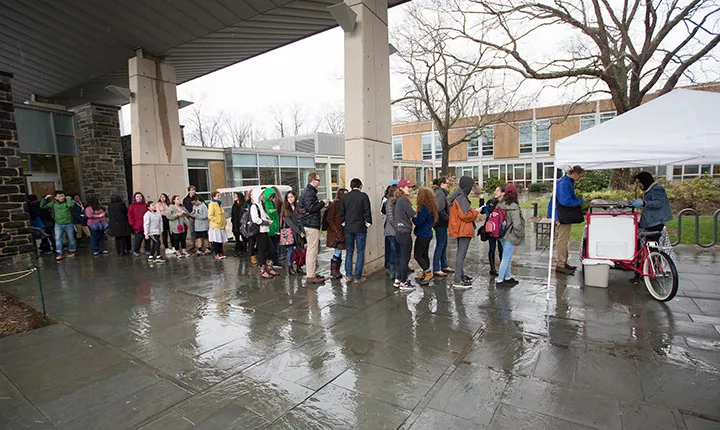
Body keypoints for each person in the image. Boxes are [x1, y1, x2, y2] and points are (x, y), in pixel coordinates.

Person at [548, 165, 585, 275]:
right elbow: (565, 201)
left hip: (562, 214)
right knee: (563, 240)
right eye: (580, 176)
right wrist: (580, 201)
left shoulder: (565, 181)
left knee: (564, 239)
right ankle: (560, 264)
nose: (579, 178)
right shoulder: (564, 183)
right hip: (562, 215)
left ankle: (563, 262)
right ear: (575, 173)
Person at [449, 176, 481, 289]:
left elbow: (462, 212)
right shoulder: (461, 198)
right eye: (471, 186)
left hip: (459, 228)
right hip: (463, 229)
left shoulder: (457, 196)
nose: (472, 188)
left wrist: (472, 210)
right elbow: (465, 215)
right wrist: (476, 212)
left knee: (460, 254)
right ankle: (457, 280)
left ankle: (460, 276)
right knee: (460, 255)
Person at [299, 172, 330, 285]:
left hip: (309, 224)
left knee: (312, 250)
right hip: (311, 225)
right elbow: (311, 208)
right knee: (312, 250)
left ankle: (311, 273)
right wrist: (323, 203)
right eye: (318, 180)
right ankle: (311, 275)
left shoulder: (309, 192)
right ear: (313, 180)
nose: (319, 182)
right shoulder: (309, 193)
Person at [341, 178, 372, 284]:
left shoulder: (345, 197)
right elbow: (367, 211)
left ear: (350, 186)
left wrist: (344, 223)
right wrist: (368, 223)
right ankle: (357, 277)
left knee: (349, 251)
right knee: (360, 251)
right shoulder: (364, 196)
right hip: (360, 228)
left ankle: (348, 275)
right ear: (360, 186)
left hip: (348, 228)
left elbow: (342, 212)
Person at [496, 184, 525, 287]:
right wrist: (520, 234)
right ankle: (500, 280)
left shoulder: (501, 204)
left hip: (501, 234)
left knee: (506, 257)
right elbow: (517, 224)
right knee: (506, 258)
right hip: (510, 235)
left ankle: (507, 277)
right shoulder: (514, 207)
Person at [392, 179, 417, 291]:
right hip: (404, 232)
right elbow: (411, 213)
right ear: (401, 188)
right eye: (408, 187)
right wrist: (415, 210)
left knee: (402, 257)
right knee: (405, 258)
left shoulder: (398, 200)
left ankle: (398, 279)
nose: (410, 189)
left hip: (399, 232)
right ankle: (403, 282)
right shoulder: (403, 200)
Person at [41, 190, 75, 261]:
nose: (61, 197)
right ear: (56, 197)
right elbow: (42, 206)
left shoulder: (68, 202)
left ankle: (72, 251)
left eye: (62, 196)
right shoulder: (53, 203)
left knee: (71, 238)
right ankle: (59, 253)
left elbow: (70, 206)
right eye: (59, 196)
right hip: (58, 224)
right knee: (58, 239)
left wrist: (69, 199)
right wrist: (45, 199)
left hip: (68, 223)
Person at [413, 187, 438, 285]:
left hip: (422, 235)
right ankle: (425, 273)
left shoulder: (423, 208)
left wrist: (412, 217)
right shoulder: (431, 207)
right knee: (424, 255)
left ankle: (428, 272)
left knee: (417, 255)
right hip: (428, 234)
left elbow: (419, 222)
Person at [250, 188, 275, 279]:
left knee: (270, 250)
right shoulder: (254, 206)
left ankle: (269, 267)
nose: (262, 196)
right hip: (260, 231)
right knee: (262, 251)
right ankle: (262, 269)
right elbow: (256, 219)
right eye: (261, 195)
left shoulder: (261, 205)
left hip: (265, 230)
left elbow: (264, 215)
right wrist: (266, 222)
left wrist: (267, 220)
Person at [432, 177, 452, 277]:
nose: (449, 186)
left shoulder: (439, 192)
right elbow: (439, 209)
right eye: (447, 184)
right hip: (440, 223)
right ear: (442, 184)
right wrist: (448, 218)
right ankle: (436, 268)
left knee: (443, 244)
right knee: (440, 244)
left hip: (440, 222)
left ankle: (444, 265)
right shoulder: (440, 193)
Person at [282, 191, 305, 275]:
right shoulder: (285, 209)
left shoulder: (297, 207)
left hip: (298, 231)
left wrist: (302, 231)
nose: (290, 199)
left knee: (299, 250)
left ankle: (299, 267)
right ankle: (290, 267)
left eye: (292, 197)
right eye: (288, 197)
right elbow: (290, 223)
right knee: (290, 250)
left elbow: (301, 219)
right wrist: (300, 232)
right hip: (289, 232)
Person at [382, 184, 401, 286]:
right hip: (392, 231)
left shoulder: (394, 201)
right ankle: (394, 272)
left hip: (392, 231)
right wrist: (398, 227)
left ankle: (393, 272)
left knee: (395, 251)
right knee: (395, 252)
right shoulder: (390, 202)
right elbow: (390, 217)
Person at [326, 188, 347, 279]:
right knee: (337, 251)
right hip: (336, 232)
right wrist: (335, 230)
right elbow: (329, 218)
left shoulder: (344, 204)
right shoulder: (335, 204)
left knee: (339, 251)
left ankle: (336, 271)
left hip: (342, 231)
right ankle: (334, 271)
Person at [485, 186, 505, 276]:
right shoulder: (491, 202)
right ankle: (492, 269)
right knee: (492, 248)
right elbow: (484, 211)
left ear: (503, 193)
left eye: (498, 191)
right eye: (495, 190)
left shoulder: (505, 203)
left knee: (501, 249)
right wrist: (481, 202)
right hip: (491, 229)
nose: (495, 192)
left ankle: (503, 267)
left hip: (501, 230)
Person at [263, 187, 281, 267]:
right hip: (270, 229)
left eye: (272, 196)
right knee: (272, 247)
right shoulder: (265, 203)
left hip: (275, 227)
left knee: (275, 246)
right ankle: (272, 262)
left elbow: (276, 217)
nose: (271, 198)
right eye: (270, 196)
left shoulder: (273, 203)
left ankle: (275, 261)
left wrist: (277, 227)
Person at [208, 190, 228, 260]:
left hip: (221, 226)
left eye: (219, 195)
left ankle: (221, 253)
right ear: (214, 197)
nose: (219, 197)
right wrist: (218, 221)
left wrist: (224, 221)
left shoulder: (219, 204)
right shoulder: (212, 204)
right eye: (218, 196)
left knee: (220, 240)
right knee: (216, 240)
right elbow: (210, 216)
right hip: (216, 226)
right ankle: (217, 253)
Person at [128, 192, 149, 257]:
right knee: (138, 239)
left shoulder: (145, 205)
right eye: (137, 196)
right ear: (135, 198)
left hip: (146, 224)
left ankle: (148, 250)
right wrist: (132, 224)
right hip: (137, 225)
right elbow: (130, 215)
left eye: (140, 196)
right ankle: (136, 250)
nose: (139, 198)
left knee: (147, 239)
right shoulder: (132, 206)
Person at [231, 192, 247, 256]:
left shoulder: (243, 205)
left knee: (244, 237)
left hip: (242, 224)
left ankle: (244, 250)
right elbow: (233, 214)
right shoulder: (234, 205)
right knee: (237, 237)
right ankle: (239, 250)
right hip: (235, 224)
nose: (234, 197)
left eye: (235, 196)